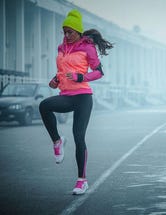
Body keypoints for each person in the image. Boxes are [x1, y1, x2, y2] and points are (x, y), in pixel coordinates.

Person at [39, 9, 113, 195]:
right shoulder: (61, 48)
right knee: (44, 105)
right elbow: (62, 71)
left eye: (70, 31)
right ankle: (57, 141)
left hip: (83, 97)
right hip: (66, 95)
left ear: (78, 31)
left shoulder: (87, 47)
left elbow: (99, 72)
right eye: (64, 31)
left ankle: (82, 180)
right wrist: (55, 81)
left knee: (79, 137)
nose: (67, 35)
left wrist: (81, 77)